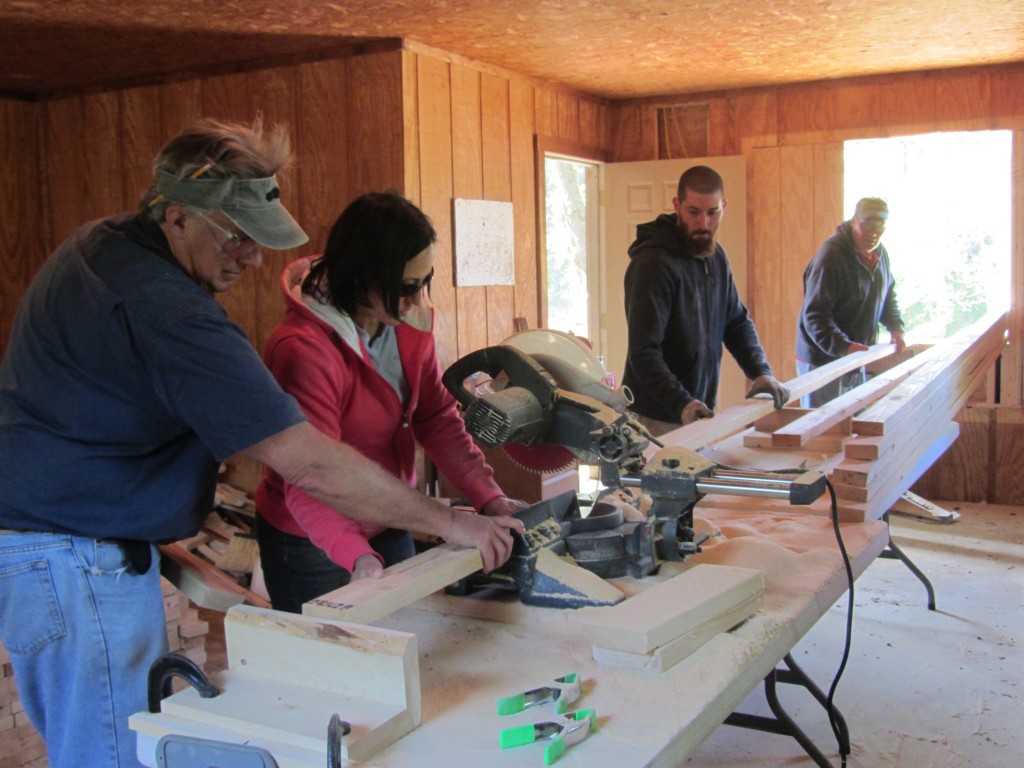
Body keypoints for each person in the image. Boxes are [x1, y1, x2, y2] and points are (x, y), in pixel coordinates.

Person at [0, 119, 521, 768]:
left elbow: (100, 425)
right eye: (239, 237)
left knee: (97, 746)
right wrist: (444, 522)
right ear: (177, 216)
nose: (251, 258)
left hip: (56, 548)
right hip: (76, 561)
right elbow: (304, 461)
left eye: (260, 241)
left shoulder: (102, 245)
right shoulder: (168, 309)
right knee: (107, 755)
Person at [255, 192, 524, 613]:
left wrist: (488, 497)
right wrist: (356, 555)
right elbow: (306, 478)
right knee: (330, 662)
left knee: (405, 635)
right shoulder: (302, 351)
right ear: (362, 276)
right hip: (311, 536)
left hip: (390, 513)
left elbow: (436, 419)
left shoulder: (405, 322)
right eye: (407, 288)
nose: (419, 302)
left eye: (424, 283)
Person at [622, 165, 790, 437]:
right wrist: (681, 403)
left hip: (694, 410)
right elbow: (644, 353)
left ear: (724, 206)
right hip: (656, 417)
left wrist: (760, 372)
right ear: (677, 205)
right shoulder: (653, 264)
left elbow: (735, 322)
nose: (703, 224)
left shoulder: (716, 257)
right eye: (694, 212)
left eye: (713, 213)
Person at [795, 197, 906, 408]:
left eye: (880, 225)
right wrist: (844, 347)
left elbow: (887, 297)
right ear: (854, 221)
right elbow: (815, 317)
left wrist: (896, 328)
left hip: (855, 354)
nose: (873, 232)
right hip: (822, 360)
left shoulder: (880, 255)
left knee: (853, 418)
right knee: (821, 429)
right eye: (867, 224)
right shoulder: (831, 257)